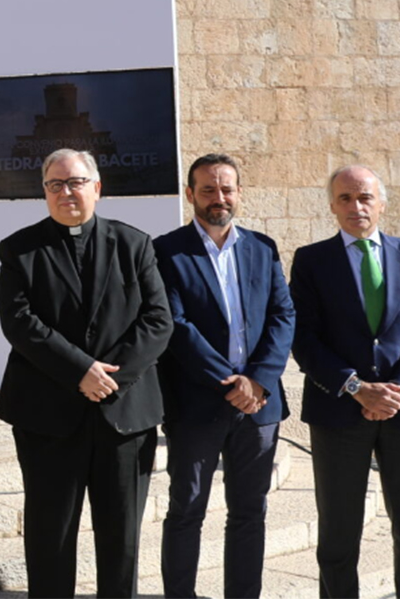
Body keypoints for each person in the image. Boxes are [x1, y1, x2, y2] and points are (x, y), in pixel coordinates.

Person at [0, 147, 172, 599]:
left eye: (75, 182)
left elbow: (158, 321)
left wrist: (108, 378)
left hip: (124, 415)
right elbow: (19, 323)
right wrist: (80, 371)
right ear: (44, 192)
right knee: (49, 539)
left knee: (121, 540)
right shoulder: (19, 250)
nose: (66, 192)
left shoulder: (134, 244)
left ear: (97, 187)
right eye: (55, 184)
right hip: (48, 417)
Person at [290, 164, 400, 599]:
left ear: (382, 204)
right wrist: (357, 387)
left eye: (365, 197)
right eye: (345, 198)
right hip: (338, 410)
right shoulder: (311, 261)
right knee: (339, 528)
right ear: (332, 206)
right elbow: (303, 336)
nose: (355, 206)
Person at [149, 152, 296, 598]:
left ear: (239, 193)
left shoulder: (262, 248)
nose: (219, 197)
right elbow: (174, 324)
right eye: (208, 189)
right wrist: (229, 381)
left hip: (258, 405)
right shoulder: (166, 251)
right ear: (190, 194)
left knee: (250, 512)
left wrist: (258, 379)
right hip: (197, 404)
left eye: (227, 189)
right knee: (187, 510)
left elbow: (283, 315)